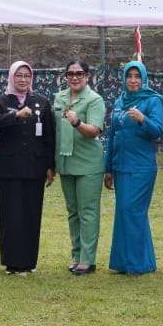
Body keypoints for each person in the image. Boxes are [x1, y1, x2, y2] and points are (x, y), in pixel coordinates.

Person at [0, 61, 55, 275]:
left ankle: (28, 262)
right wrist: (14, 115)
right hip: (10, 168)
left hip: (35, 167)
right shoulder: (0, 101)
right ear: (11, 77)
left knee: (32, 214)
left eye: (26, 75)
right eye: (18, 75)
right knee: (11, 216)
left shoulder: (42, 102)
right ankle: (12, 262)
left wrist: (50, 165)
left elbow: (49, 136)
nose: (23, 79)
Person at [105, 61, 163, 275]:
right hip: (121, 166)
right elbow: (112, 135)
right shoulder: (120, 101)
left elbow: (157, 131)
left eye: (137, 76)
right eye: (129, 76)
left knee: (132, 211)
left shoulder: (153, 100)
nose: (133, 80)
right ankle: (125, 262)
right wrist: (108, 168)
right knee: (123, 213)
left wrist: (142, 119)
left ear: (143, 79)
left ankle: (137, 264)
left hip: (141, 167)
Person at [52, 59, 105, 274]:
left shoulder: (94, 100)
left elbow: (94, 131)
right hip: (66, 163)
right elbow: (54, 130)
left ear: (87, 76)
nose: (75, 77)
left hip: (88, 164)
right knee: (72, 212)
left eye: (79, 73)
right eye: (70, 73)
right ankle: (76, 255)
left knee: (88, 212)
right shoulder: (59, 98)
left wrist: (77, 123)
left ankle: (87, 259)